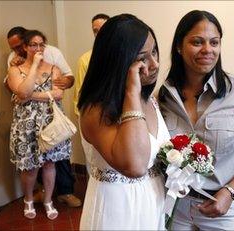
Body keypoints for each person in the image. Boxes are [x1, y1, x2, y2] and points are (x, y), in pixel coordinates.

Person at [159, 10, 234, 230]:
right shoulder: (164, 96)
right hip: (176, 207)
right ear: (179, 46)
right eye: (197, 42)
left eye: (214, 42)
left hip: (225, 210)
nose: (207, 50)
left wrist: (230, 192)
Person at [78, 14, 169, 230]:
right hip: (118, 208)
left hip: (153, 199)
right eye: (142, 58)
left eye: (154, 51)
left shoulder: (150, 99)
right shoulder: (95, 110)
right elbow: (135, 166)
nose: (155, 64)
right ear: (118, 61)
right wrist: (131, 90)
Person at [6, 26, 81, 208]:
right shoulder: (13, 64)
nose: (38, 49)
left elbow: (58, 93)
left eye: (41, 45)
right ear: (25, 47)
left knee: (50, 163)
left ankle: (54, 198)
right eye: (33, 45)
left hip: (50, 121)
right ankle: (29, 200)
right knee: (30, 167)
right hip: (27, 124)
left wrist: (28, 96)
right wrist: (32, 69)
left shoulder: (54, 58)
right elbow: (19, 89)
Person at [73, 13, 109, 174]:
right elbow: (80, 94)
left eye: (103, 29)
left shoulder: (124, 56)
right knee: (94, 161)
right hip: (93, 116)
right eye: (95, 30)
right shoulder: (85, 60)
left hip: (117, 115)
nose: (99, 33)